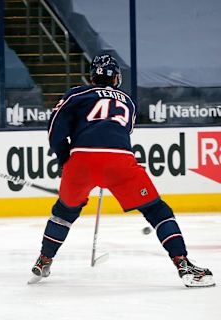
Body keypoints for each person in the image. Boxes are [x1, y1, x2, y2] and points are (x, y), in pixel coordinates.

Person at [28, 53, 215, 288]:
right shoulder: (128, 101)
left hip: (81, 160)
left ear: (92, 76)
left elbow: (55, 129)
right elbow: (120, 133)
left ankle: (44, 260)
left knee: (63, 213)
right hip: (119, 159)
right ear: (116, 78)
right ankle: (183, 263)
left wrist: (66, 159)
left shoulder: (77, 94)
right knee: (157, 210)